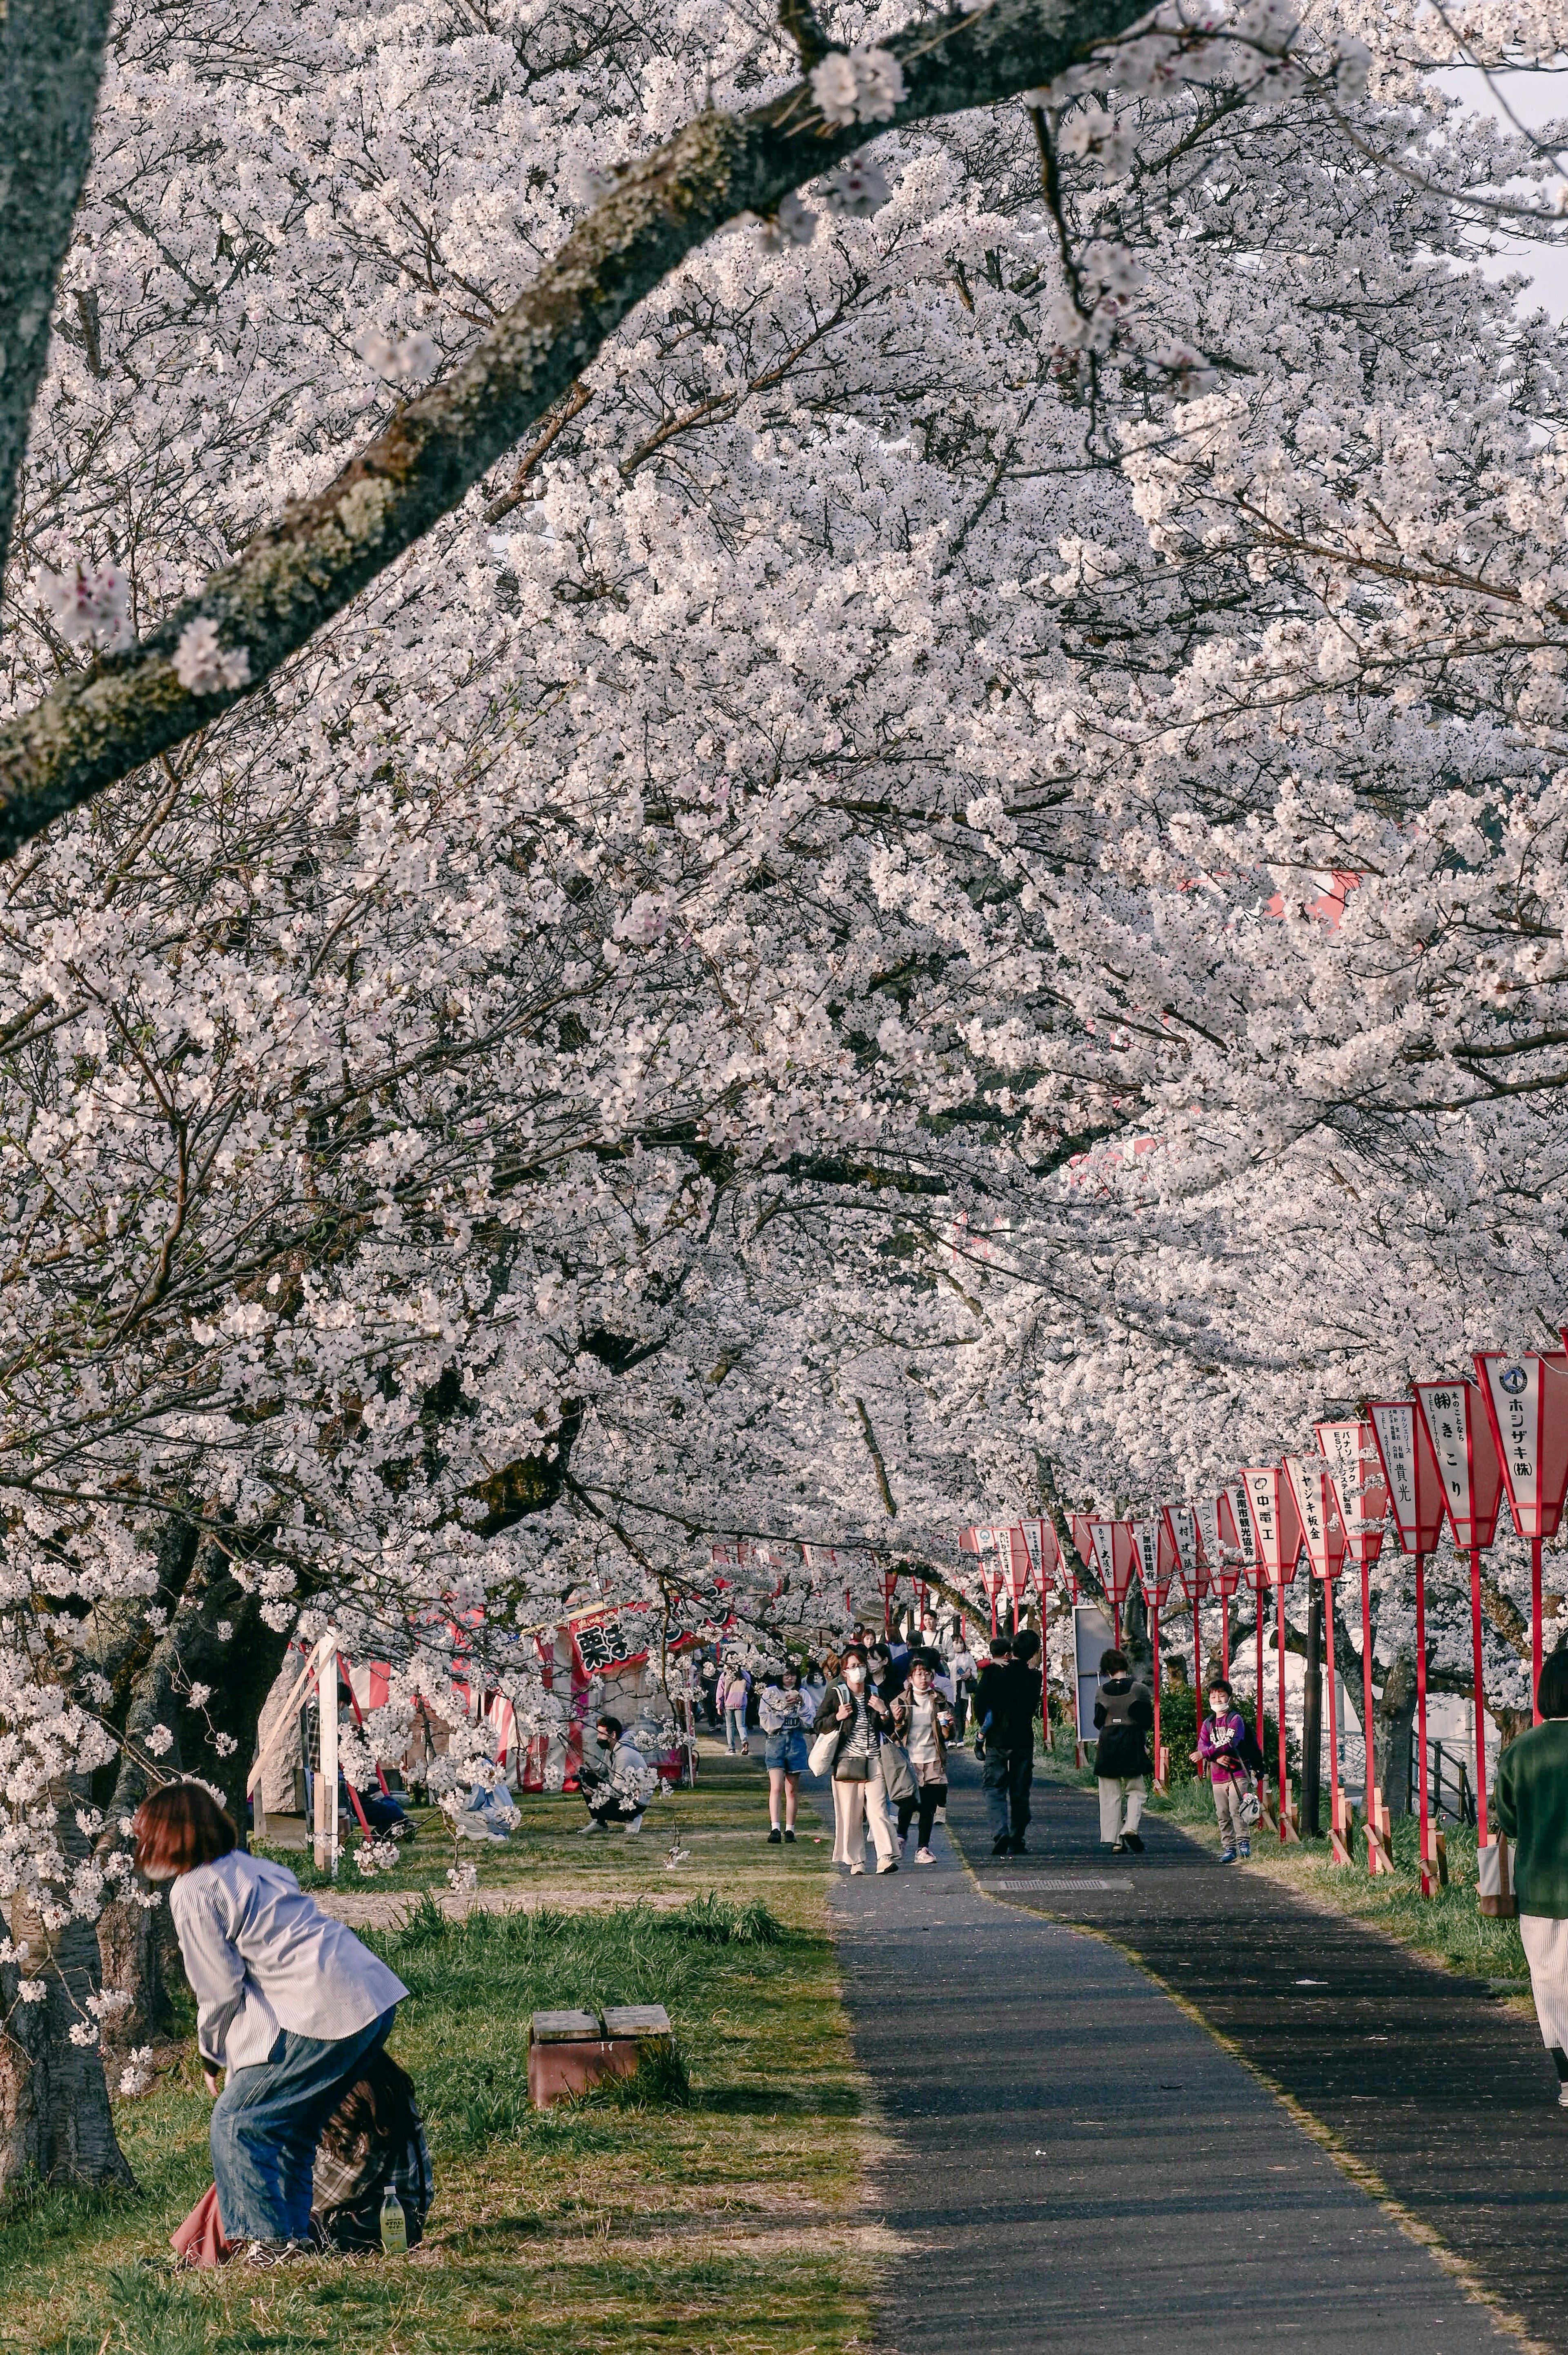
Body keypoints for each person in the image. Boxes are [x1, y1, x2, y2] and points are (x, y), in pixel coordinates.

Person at [135, 1780, 408, 2266]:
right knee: (293, 2126)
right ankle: (289, 2240)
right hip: (371, 1995)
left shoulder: (194, 1889)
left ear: (171, 1838)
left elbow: (219, 1987)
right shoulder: (250, 1867)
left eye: (146, 1838)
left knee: (238, 2121)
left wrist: (211, 2053)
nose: (142, 1850)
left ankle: (270, 2244)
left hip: (326, 2006)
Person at [172, 2048, 433, 2266]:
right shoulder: (376, 2082)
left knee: (252, 2180)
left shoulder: (361, 2111)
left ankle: (195, 2259)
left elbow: (339, 2189)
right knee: (246, 2174)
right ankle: (193, 2256)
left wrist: (272, 2180)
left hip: (380, 2222)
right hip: (371, 2210)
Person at [1497, 1647, 1568, 2106]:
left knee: (1551, 1983)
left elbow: (1509, 1821)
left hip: (1541, 1886)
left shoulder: (1521, 1750)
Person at [812, 1645, 898, 1875]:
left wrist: (884, 1712)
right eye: (852, 1667)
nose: (858, 1670)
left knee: (879, 1810)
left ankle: (885, 1857)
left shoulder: (876, 1693)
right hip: (847, 1762)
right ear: (845, 1672)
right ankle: (856, 1860)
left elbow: (889, 1727)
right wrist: (837, 1717)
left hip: (874, 1760)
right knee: (850, 1814)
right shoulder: (837, 1694)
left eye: (861, 1666)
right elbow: (818, 1723)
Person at [976, 1631, 1041, 1856]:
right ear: (1034, 1652)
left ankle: (1000, 1831)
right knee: (1020, 1791)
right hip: (1023, 1738)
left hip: (997, 1739)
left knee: (994, 1788)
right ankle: (1017, 1837)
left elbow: (980, 1700)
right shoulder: (1035, 1678)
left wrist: (983, 1724)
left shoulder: (994, 1672)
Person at [1094, 1648, 1154, 1855]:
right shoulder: (1140, 1689)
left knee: (1110, 1795)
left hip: (1108, 1744)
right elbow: (1147, 1721)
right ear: (1125, 1666)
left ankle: (1116, 1841)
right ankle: (1130, 1827)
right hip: (1132, 1743)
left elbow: (1097, 1721)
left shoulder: (1101, 1691)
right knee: (1136, 1791)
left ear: (1108, 1670)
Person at [892, 1654, 953, 1862]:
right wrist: (897, 1721)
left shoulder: (939, 1699)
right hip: (910, 1760)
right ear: (910, 1678)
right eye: (919, 1674)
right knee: (908, 1804)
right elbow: (892, 1735)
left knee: (928, 1805)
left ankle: (923, 1849)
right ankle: (900, 1838)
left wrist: (947, 1727)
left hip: (933, 1758)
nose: (924, 1678)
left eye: (928, 1674)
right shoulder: (900, 1701)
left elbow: (949, 1735)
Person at [1194, 1678, 1251, 1863]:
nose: (1217, 1700)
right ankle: (1229, 1847)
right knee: (1222, 1814)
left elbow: (1230, 1742)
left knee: (1237, 1809)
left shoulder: (1236, 1719)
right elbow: (1202, 1745)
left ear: (1230, 1698)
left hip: (1237, 1774)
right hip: (1217, 1777)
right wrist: (1215, 1757)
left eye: (1222, 1696)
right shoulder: (1208, 1723)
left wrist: (1207, 1755)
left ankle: (1243, 1843)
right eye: (1213, 1696)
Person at [758, 1661, 812, 1841]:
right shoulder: (770, 1693)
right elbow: (764, 1719)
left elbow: (810, 1720)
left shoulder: (803, 1694)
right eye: (786, 1675)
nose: (790, 1678)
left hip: (796, 1740)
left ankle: (790, 1830)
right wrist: (781, 1711)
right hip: (776, 1740)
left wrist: (801, 1704)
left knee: (792, 1789)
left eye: (793, 1675)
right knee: (776, 1787)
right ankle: (775, 1828)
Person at [577, 1714, 650, 1833]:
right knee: (586, 1777)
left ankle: (633, 1818)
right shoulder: (611, 1749)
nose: (598, 1737)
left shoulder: (624, 1756)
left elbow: (619, 1789)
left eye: (601, 1734)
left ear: (613, 1735)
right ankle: (599, 1822)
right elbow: (602, 1771)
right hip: (623, 1794)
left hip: (635, 1802)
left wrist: (595, 1793)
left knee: (595, 1791)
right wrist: (587, 1771)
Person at [718, 1657, 753, 1753]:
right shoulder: (744, 1674)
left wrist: (719, 1705)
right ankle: (744, 1740)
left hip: (728, 1703)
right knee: (741, 1725)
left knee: (730, 1726)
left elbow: (720, 1691)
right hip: (741, 1702)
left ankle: (731, 1748)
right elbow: (749, 1687)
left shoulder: (725, 1675)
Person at [949, 1634, 978, 1740]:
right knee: (954, 1712)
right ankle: (954, 1738)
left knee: (962, 1712)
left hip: (964, 1687)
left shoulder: (968, 1656)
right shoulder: (950, 1657)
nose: (960, 1645)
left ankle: (961, 1737)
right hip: (952, 1687)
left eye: (961, 1643)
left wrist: (969, 1673)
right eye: (957, 1643)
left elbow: (974, 1670)